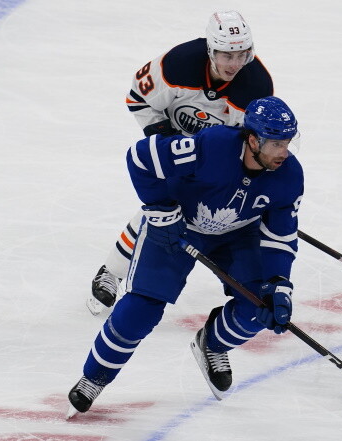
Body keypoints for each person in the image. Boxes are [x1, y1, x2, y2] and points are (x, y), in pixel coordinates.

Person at [67, 96, 303, 416]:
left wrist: (279, 284)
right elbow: (140, 158)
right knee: (140, 310)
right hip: (178, 227)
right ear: (251, 139)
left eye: (287, 142)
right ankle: (94, 377)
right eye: (276, 143)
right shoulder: (213, 145)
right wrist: (160, 209)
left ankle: (213, 344)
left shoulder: (289, 176)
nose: (283, 152)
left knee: (257, 307)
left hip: (237, 235)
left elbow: (279, 236)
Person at [87, 10, 274, 315]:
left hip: (218, 153)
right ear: (211, 50)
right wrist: (169, 141)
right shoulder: (177, 65)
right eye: (227, 54)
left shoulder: (255, 87)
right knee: (165, 203)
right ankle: (112, 271)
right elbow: (138, 98)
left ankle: (111, 270)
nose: (235, 64)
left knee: (179, 205)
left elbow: (249, 144)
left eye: (242, 54)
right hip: (172, 139)